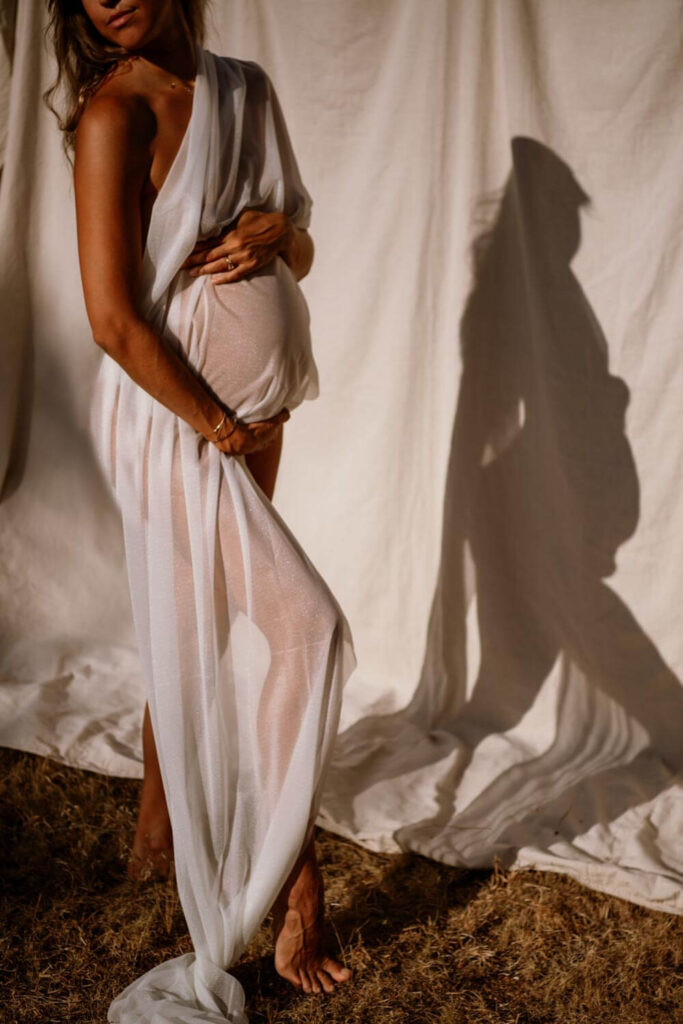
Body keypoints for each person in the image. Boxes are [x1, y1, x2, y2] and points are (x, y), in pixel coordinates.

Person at [44, 0, 356, 1019]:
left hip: (251, 415)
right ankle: (291, 891)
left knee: (200, 614)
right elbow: (110, 317)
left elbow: (294, 250)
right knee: (305, 629)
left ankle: (153, 818)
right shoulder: (112, 116)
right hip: (174, 419)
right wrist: (213, 423)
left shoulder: (244, 91)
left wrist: (283, 231)